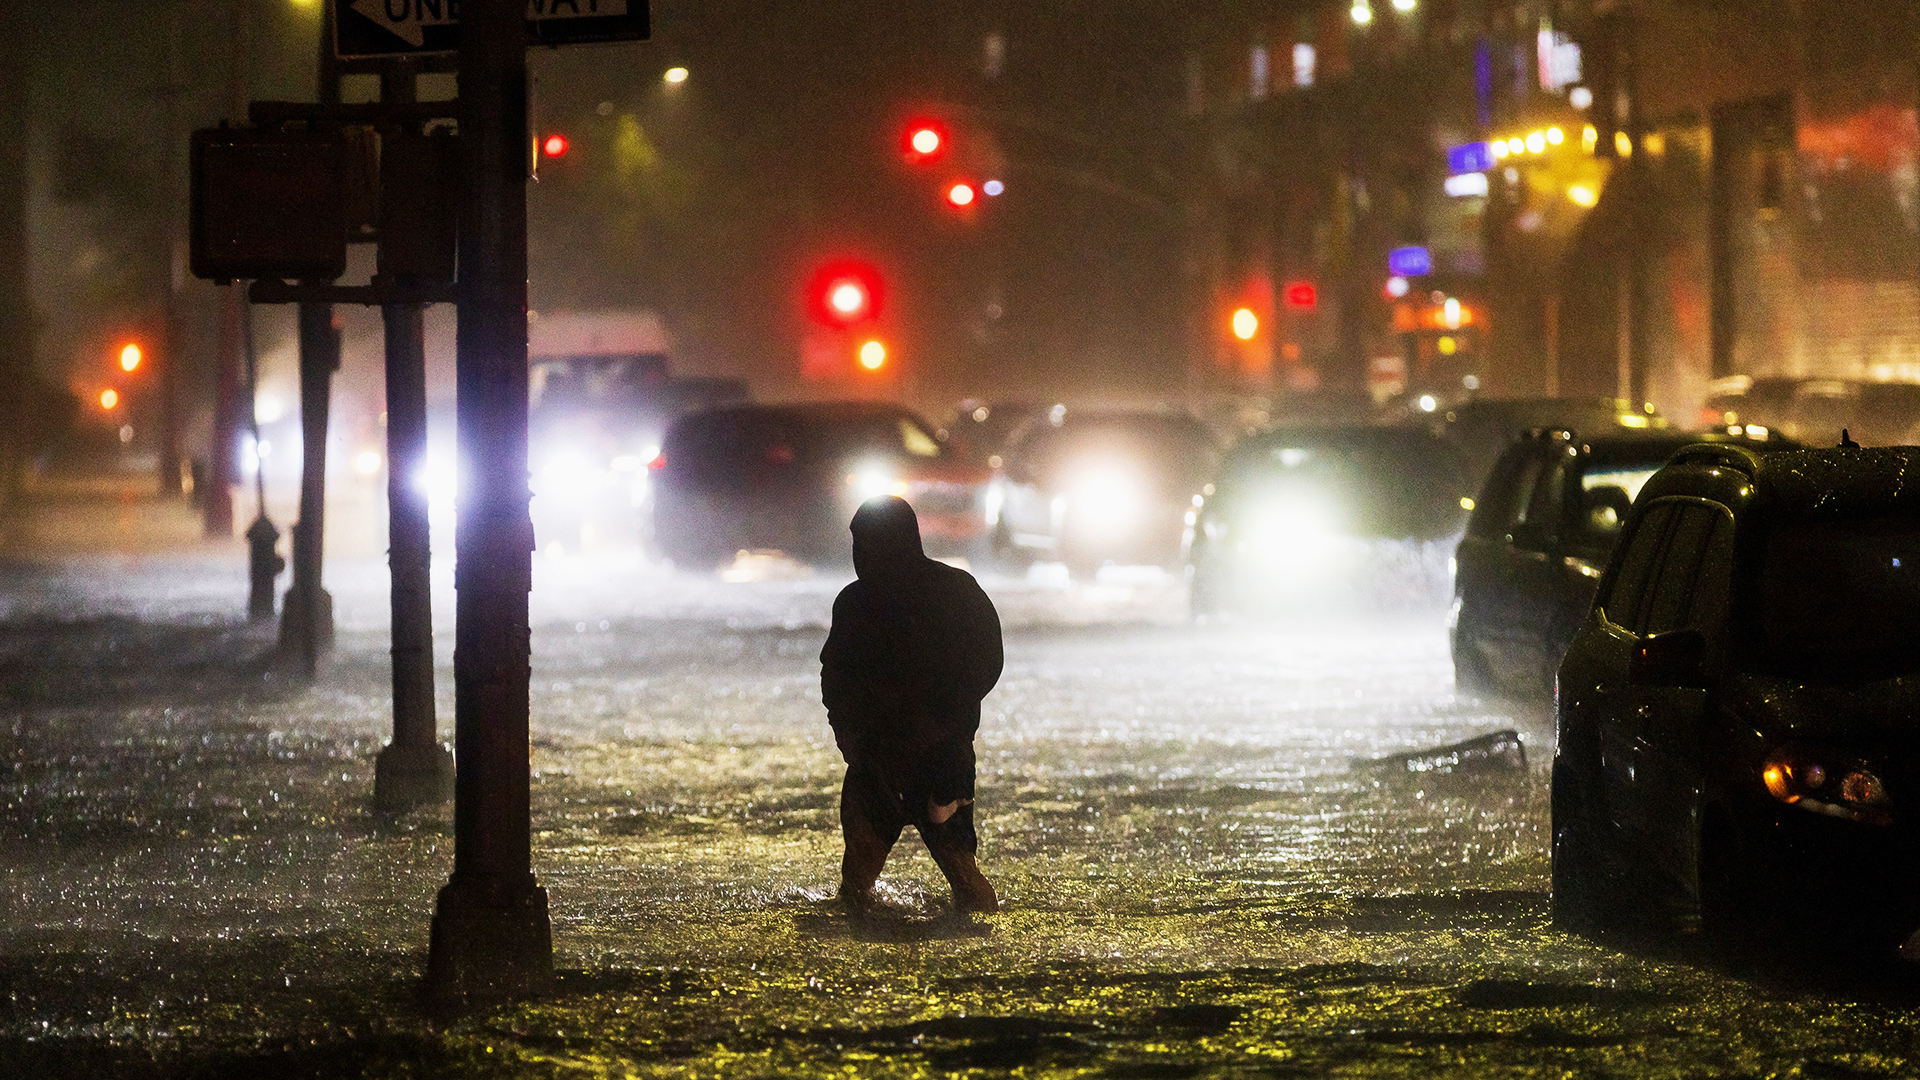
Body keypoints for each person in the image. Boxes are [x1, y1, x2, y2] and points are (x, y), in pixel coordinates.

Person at [820, 495, 1003, 914]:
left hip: (931, 757)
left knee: (954, 873)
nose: (858, 555)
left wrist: (938, 720)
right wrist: (848, 736)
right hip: (887, 757)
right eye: (855, 545)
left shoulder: (949, 594)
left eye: (864, 543)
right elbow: (836, 676)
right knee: (860, 882)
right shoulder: (856, 603)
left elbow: (984, 663)